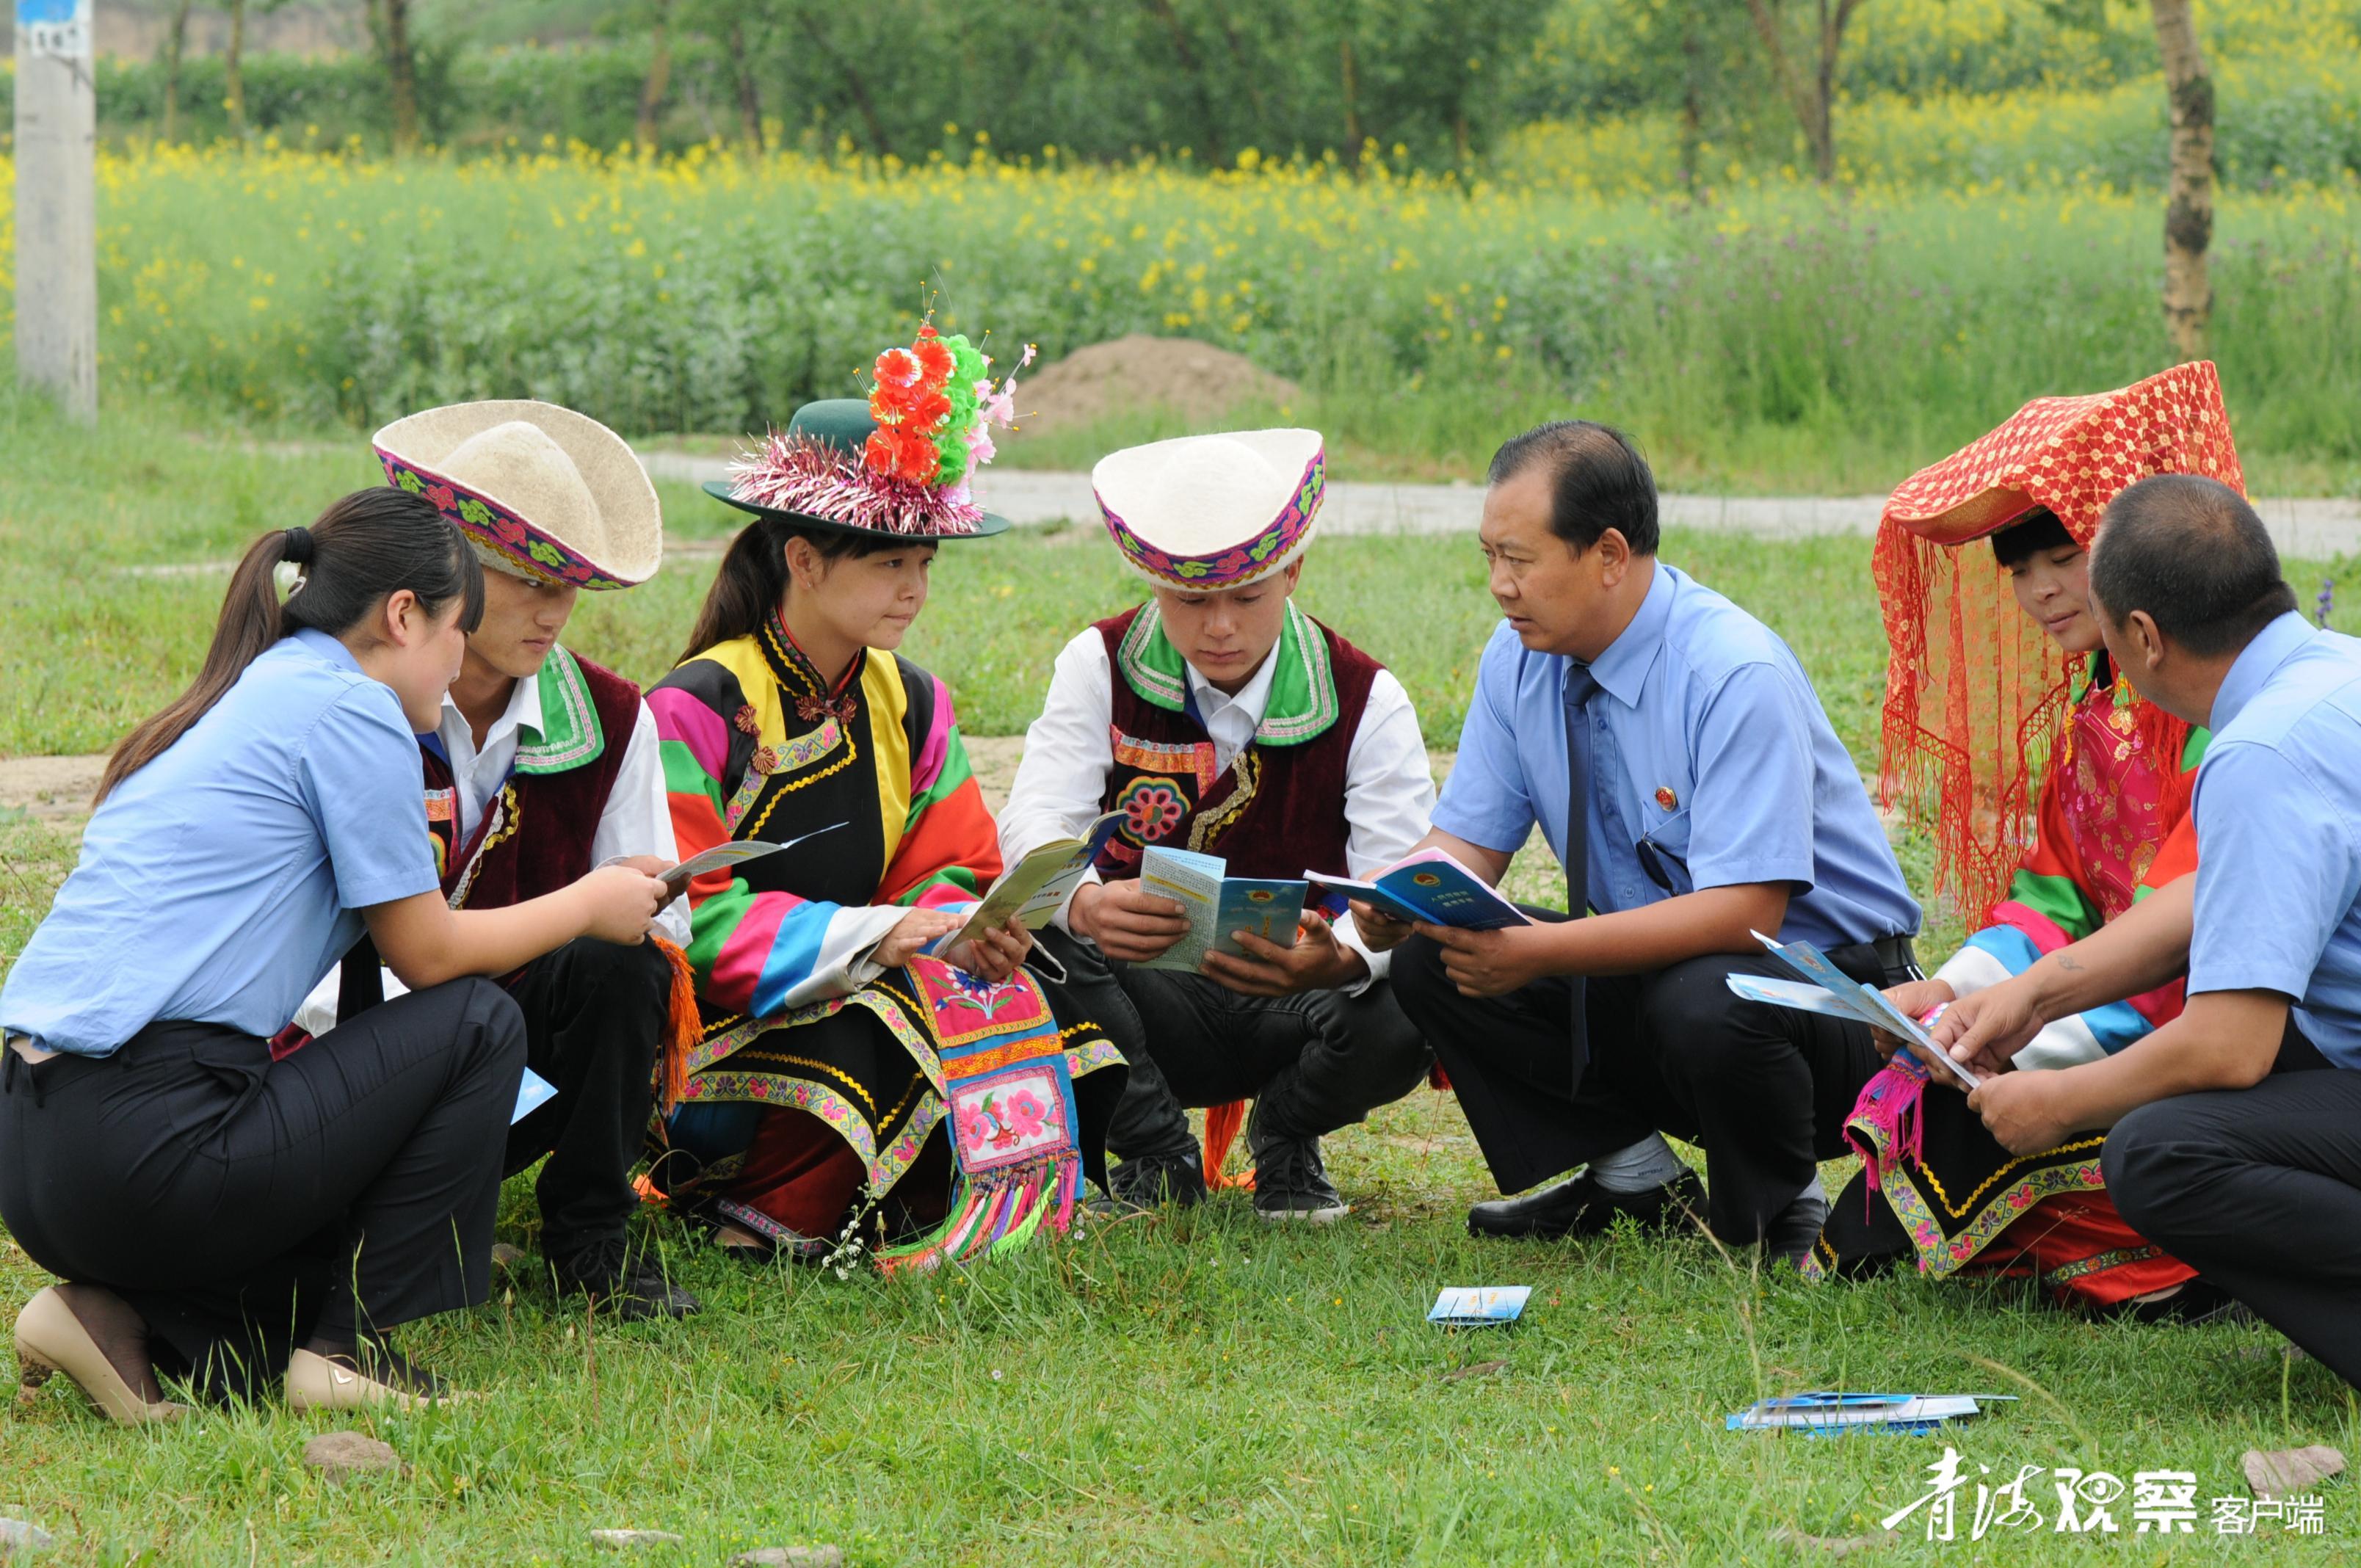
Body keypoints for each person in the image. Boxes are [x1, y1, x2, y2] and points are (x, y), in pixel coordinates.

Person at [1, 489, 667, 1420]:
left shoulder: (249, 691)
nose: (456, 662)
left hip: (40, 1155)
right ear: (404, 615)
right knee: (478, 1024)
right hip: (148, 1139)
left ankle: (113, 1315)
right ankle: (349, 1354)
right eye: (455, 631)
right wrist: (592, 902)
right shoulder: (352, 711)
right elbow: (430, 955)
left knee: (311, 1262)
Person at [1361, 419, 1923, 1264]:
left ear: (1610, 555)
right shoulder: (1519, 661)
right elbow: (1465, 846)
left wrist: (1543, 951)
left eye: (1520, 559)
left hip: (1833, 1003)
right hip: (1664, 976)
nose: (1499, 586)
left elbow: (1748, 914)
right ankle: (1634, 1181)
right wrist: (1388, 900)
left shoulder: (1733, 673)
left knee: (1705, 994)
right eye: (1488, 557)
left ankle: (1780, 1212)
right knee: (1434, 960)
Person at [644, 327, 1126, 1263]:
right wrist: (879, 937)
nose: (913, 589)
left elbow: (955, 867)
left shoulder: (911, 701)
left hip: (861, 985)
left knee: (1025, 996)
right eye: (887, 563)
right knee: (883, 1023)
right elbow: (687, 926)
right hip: (711, 1049)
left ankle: (964, 1201)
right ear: (804, 560)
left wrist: (966, 926)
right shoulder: (694, 708)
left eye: (924, 564)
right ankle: (754, 1211)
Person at [1806, 363, 2244, 1312]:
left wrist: (2019, 1032)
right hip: (2099, 1004)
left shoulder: (2219, 721)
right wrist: (1958, 990)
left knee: (1952, 1113)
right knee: (1930, 1092)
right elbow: (2054, 896)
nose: (2040, 590)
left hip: (2202, 1031)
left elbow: (2186, 929)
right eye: (2019, 570)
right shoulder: (2101, 711)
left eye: (2065, 558)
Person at [1930, 474, 2361, 1385]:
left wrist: (2057, 1102)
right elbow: (2209, 899)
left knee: (2158, 1154)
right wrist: (2036, 991)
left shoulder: (2257, 755)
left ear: (2146, 637)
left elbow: (2229, 1048)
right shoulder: (2333, 673)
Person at [293, 400, 699, 1321]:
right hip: (342, 1058)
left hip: (513, 1062)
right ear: (447, 576)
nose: (552, 611)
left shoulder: (612, 716)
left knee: (622, 963)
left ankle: (590, 1240)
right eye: (523, 580)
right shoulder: (358, 708)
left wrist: (622, 907)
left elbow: (660, 914)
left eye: (569, 585)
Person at [998, 427, 1437, 1220]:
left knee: (1421, 978)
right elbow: (1036, 819)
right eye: (1192, 602)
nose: (1220, 627)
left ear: (1293, 571)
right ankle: (1156, 1151)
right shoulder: (1096, 663)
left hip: (1305, 1009)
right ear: (1152, 585)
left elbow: (1393, 886)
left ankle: (1286, 1132)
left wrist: (1337, 959)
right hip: (1145, 1002)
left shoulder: (1367, 696)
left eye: (1249, 596)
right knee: (1037, 931)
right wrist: (1089, 904)